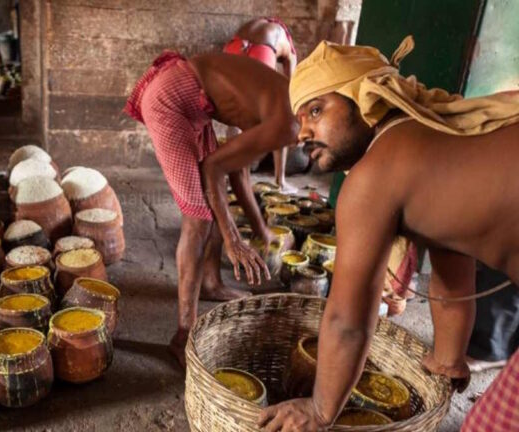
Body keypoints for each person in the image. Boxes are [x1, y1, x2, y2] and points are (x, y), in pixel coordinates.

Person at [256, 36, 519, 431]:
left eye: (315, 110)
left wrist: (319, 410)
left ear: (365, 97)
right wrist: (448, 357)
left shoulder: (373, 176)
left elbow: (348, 320)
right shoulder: (431, 140)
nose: (302, 134)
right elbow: (453, 272)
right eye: (301, 121)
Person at [124, 51, 299, 366]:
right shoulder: (289, 123)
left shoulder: (290, 99)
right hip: (171, 99)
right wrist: (233, 239)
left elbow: (238, 172)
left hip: (194, 102)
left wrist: (261, 231)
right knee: (198, 217)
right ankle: (182, 335)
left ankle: (210, 282)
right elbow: (215, 170)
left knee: (216, 205)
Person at [223, 17, 298, 193]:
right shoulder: (289, 49)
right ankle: (281, 182)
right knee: (282, 116)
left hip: (233, 47)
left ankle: (234, 179)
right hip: (262, 51)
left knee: (235, 118)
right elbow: (292, 89)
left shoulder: (259, 24)